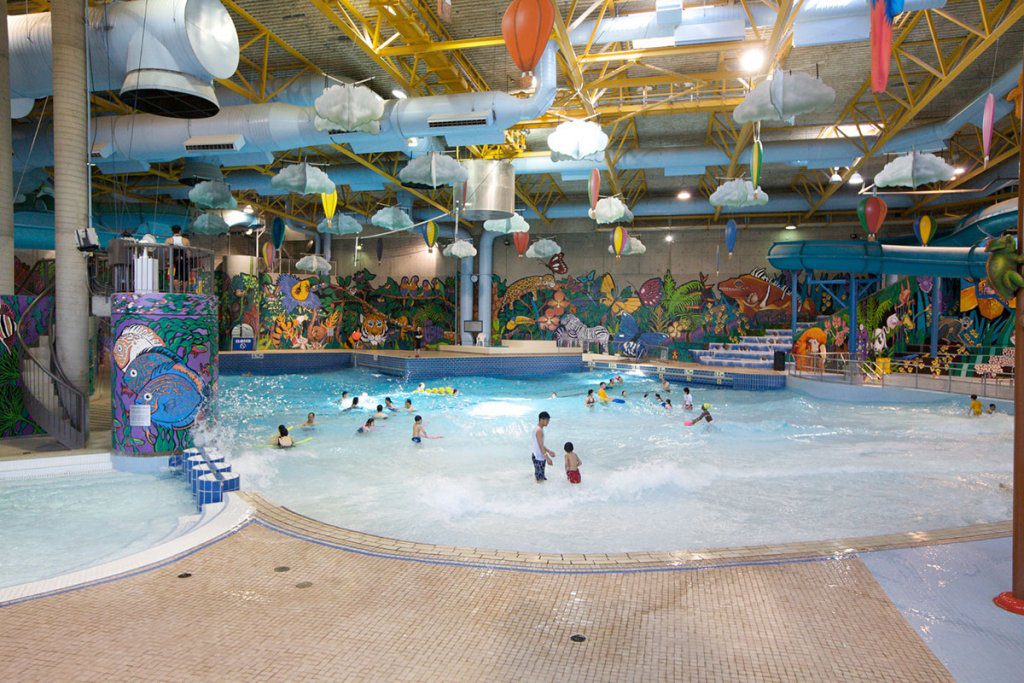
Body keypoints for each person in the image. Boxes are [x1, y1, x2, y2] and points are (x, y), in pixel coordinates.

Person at [164, 225, 191, 290]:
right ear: (180, 231)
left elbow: (166, 251)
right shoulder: (185, 240)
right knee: (185, 276)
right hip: (183, 259)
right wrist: (188, 259)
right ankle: (184, 291)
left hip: (174, 259)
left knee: (175, 275)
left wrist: (166, 259)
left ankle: (177, 291)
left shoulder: (168, 240)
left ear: (172, 231)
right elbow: (189, 251)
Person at [531, 411, 556, 482]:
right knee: (539, 480)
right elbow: (541, 446)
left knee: (541, 478)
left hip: (538, 455)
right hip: (538, 457)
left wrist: (549, 451)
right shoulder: (539, 431)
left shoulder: (538, 429)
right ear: (541, 420)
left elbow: (540, 444)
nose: (548, 422)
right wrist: (548, 458)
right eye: (547, 420)